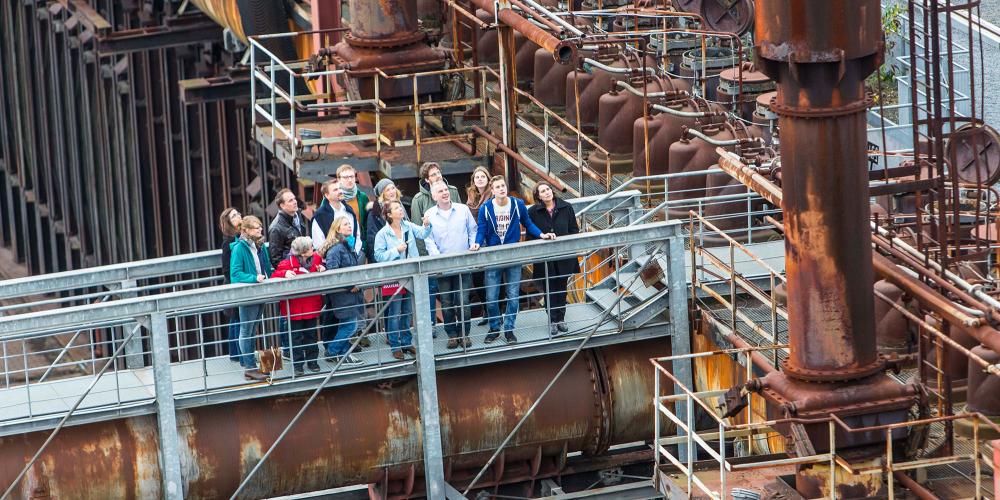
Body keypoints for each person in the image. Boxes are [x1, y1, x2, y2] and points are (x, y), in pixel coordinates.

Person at [471, 176, 555, 343]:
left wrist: (541, 235)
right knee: (492, 297)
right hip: (493, 255)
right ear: (492, 191)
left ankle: (509, 329)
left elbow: (528, 223)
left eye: (503, 185)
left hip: (513, 255)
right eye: (498, 187)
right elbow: (481, 230)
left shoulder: (517, 204)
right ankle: (495, 328)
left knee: (513, 296)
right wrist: (477, 244)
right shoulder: (485, 209)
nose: (502, 188)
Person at [374, 200, 434, 360]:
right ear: (388, 214)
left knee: (407, 311)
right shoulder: (383, 234)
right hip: (394, 277)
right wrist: (396, 250)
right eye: (396, 208)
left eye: (399, 207)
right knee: (394, 313)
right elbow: (378, 256)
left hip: (410, 275)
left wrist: (427, 225)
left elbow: (422, 233)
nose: (400, 209)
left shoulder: (408, 225)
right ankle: (395, 346)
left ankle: (407, 342)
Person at [424, 181, 477, 349]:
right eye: (440, 191)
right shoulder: (430, 214)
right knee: (446, 303)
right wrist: (437, 258)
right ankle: (452, 335)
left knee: (463, 301)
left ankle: (464, 334)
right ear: (434, 196)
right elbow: (428, 238)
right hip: (443, 267)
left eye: (446, 189)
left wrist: (473, 244)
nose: (445, 193)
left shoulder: (463, 209)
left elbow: (473, 230)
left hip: (463, 264)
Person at [528, 181, 580, 335]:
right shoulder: (533, 212)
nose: (546, 192)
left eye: (548, 189)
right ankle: (552, 321)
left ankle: (560, 319)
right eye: (542, 191)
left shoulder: (566, 207)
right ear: (538, 196)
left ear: (552, 191)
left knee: (561, 289)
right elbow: (531, 236)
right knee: (549, 290)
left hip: (564, 256)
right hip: (545, 258)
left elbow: (573, 230)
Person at [271, 236, 327, 376]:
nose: (313, 249)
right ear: (302, 253)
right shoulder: (286, 264)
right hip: (294, 309)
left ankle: (313, 362)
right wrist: (283, 273)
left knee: (311, 335)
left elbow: (322, 268)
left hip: (312, 305)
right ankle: (298, 365)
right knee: (295, 338)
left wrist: (322, 268)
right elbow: (273, 277)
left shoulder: (316, 259)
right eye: (310, 248)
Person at [229, 216, 273, 381]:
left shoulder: (260, 246)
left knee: (253, 329)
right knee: (247, 330)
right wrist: (254, 278)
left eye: (260, 227)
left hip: (261, 292)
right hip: (248, 294)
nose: (259, 230)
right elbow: (235, 274)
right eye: (255, 228)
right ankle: (249, 367)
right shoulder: (239, 248)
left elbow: (266, 267)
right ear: (245, 230)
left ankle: (255, 365)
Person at [320, 217, 365, 366]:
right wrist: (349, 286)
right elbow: (334, 272)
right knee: (350, 325)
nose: (349, 226)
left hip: (350, 294)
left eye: (349, 224)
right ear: (337, 229)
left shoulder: (347, 246)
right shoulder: (336, 249)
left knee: (347, 325)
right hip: (342, 295)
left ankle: (343, 353)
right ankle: (332, 352)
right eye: (345, 224)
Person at [410, 162, 462, 256]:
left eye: (438, 173)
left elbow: (461, 219)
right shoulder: (418, 200)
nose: (438, 176)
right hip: (432, 251)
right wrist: (424, 257)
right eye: (433, 175)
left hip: (456, 248)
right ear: (426, 179)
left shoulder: (453, 191)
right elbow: (418, 232)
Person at [464, 166, 492, 325]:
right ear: (473, 181)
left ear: (488, 179)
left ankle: (495, 312)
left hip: (490, 239)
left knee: (493, 277)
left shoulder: (493, 193)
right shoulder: (471, 196)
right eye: (477, 177)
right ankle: (486, 309)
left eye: (483, 176)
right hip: (475, 240)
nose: (480, 179)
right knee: (477, 278)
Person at [312, 179, 362, 256]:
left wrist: (354, 253)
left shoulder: (348, 210)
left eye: (340, 188)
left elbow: (357, 234)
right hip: (332, 261)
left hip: (353, 257)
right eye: (335, 190)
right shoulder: (319, 216)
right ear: (327, 195)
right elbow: (318, 244)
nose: (340, 191)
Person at [219, 207, 243, 362]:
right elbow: (226, 269)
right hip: (234, 285)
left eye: (238, 213)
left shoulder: (240, 236)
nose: (239, 216)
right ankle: (236, 354)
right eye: (234, 216)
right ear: (229, 222)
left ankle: (235, 354)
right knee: (236, 318)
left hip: (237, 283)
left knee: (237, 319)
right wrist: (236, 280)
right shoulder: (228, 242)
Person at [365, 178, 405, 263]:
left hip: (404, 255)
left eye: (393, 188)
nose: (392, 192)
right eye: (387, 190)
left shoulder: (401, 207)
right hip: (387, 259)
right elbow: (372, 240)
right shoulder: (374, 213)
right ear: (382, 194)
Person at [268, 188, 310, 268]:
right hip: (292, 270)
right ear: (282, 205)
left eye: (294, 199)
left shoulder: (297, 215)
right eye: (290, 201)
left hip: (304, 264)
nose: (295, 202)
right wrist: (287, 271)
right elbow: (276, 260)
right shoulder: (276, 228)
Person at [336, 164, 370, 236]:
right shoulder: (333, 197)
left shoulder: (362, 197)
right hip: (340, 240)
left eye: (352, 176)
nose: (350, 180)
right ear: (339, 179)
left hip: (359, 239)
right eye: (345, 177)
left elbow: (367, 222)